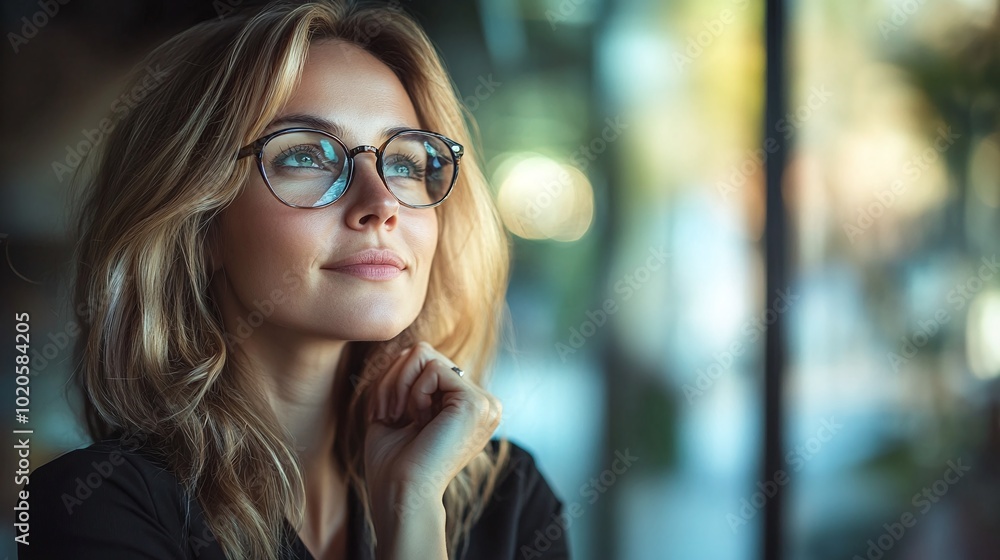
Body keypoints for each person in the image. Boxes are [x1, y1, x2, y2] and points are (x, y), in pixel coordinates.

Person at [18, 2, 569, 559]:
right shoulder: (97, 510)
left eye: (404, 162)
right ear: (200, 224)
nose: (381, 204)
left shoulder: (510, 504)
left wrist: (416, 498)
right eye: (307, 155)